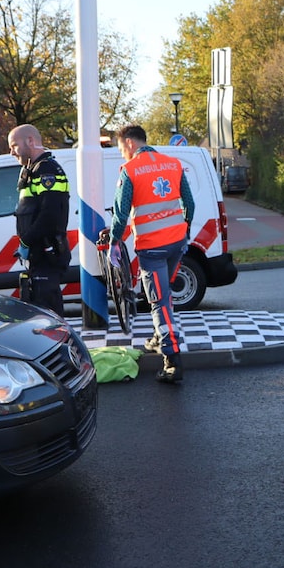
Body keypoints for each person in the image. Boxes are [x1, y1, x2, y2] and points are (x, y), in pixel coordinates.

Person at [99, 124, 194, 384]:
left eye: (120, 149)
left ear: (129, 143)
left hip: (152, 248)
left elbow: (120, 215)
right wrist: (185, 230)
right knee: (164, 294)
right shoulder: (172, 163)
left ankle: (171, 359)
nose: (122, 154)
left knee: (159, 301)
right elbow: (190, 203)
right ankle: (157, 337)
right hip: (176, 243)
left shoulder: (129, 171)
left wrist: (114, 243)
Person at [9, 124, 71, 317]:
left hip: (47, 252)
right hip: (39, 254)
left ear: (30, 141)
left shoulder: (47, 171)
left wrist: (26, 240)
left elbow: (50, 215)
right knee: (40, 312)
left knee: (48, 314)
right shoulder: (34, 170)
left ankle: (58, 347)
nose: (11, 152)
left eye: (14, 145)